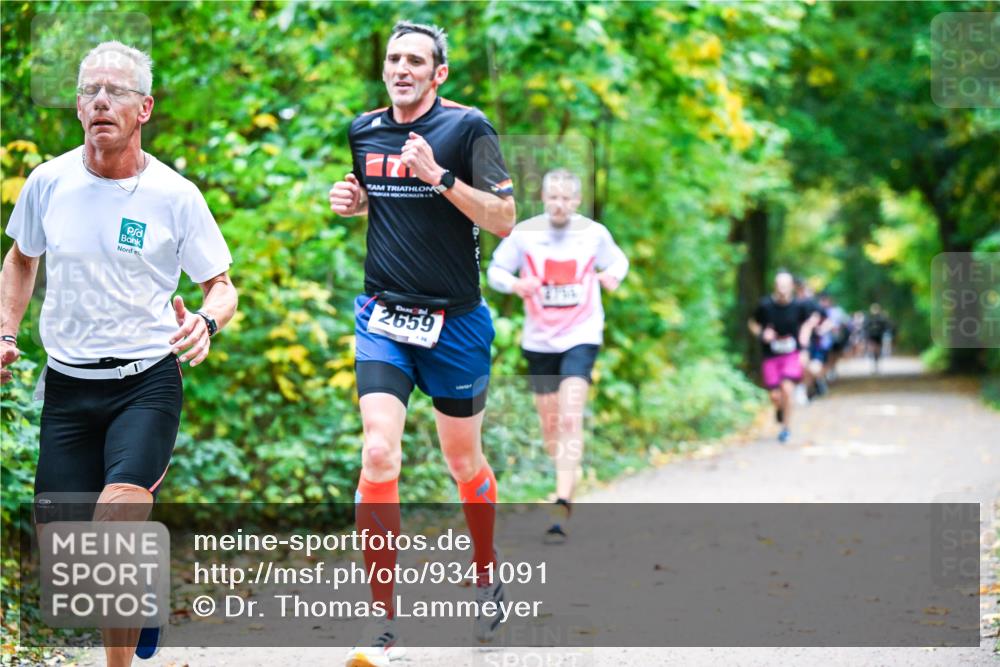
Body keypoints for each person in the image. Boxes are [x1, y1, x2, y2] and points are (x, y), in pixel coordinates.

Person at [0, 41, 237, 666]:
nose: (100, 101)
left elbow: (222, 285)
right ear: (78, 108)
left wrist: (207, 322)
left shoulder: (174, 195)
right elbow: (21, 259)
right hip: (68, 386)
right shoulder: (48, 182)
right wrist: (5, 332)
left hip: (145, 382)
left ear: (145, 108)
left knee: (116, 525)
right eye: (89, 91)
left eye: (116, 92)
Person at [327, 21, 516, 665]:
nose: (401, 68)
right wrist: (353, 201)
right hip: (384, 317)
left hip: (456, 323)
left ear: (439, 75)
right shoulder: (363, 131)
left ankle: (487, 573)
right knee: (379, 453)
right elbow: (380, 202)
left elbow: (504, 219)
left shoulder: (468, 130)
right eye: (393, 58)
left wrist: (438, 177)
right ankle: (382, 621)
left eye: (416, 60)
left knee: (464, 462)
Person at [487, 169, 627, 542]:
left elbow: (619, 262)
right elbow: (496, 270)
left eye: (567, 198)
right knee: (551, 427)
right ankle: (567, 472)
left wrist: (613, 276)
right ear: (544, 198)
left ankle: (562, 501)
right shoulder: (526, 233)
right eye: (553, 197)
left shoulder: (593, 234)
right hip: (539, 340)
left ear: (577, 201)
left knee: (570, 414)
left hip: (581, 334)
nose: (559, 204)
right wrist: (516, 284)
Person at [748, 271, 819, 443]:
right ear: (775, 286)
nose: (782, 289)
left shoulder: (799, 306)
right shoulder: (765, 305)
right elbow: (752, 322)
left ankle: (786, 429)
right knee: (775, 396)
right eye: (779, 286)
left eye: (786, 286)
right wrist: (762, 334)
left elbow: (813, 319)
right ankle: (780, 409)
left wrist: (804, 340)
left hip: (791, 354)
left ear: (792, 287)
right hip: (770, 355)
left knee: (787, 389)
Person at [864, 303, 892, 374]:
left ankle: (876, 364)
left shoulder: (881, 318)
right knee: (873, 349)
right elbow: (865, 327)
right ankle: (874, 363)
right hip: (871, 336)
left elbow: (886, 326)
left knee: (877, 351)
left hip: (879, 336)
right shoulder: (869, 318)